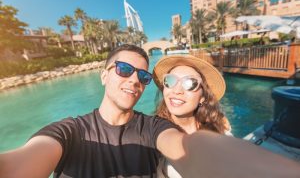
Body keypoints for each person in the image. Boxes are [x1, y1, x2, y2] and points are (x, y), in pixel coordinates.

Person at [0, 44, 299, 178]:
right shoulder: (69, 132)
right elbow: (23, 162)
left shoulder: (152, 128)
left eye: (142, 76)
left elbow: (187, 148)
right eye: (124, 69)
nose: (133, 80)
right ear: (104, 74)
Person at [153, 55, 232, 177]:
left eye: (190, 83)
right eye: (170, 80)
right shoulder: (153, 131)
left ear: (203, 97)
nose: (177, 90)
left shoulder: (220, 127)